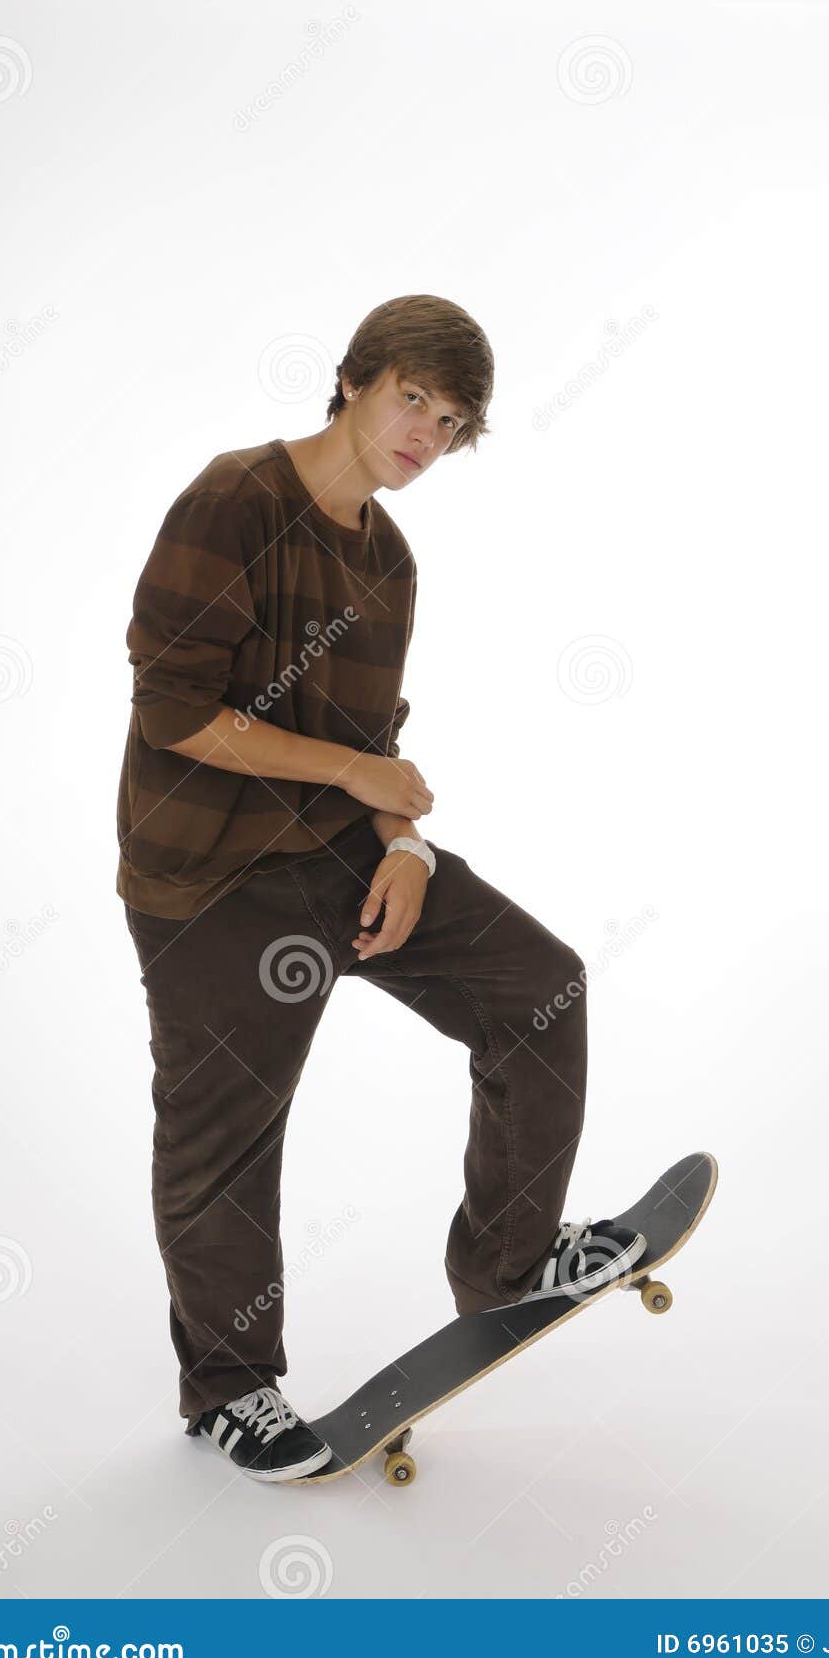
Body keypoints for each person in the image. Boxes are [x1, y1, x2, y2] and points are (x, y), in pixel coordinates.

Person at [117, 294, 646, 1483]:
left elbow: (374, 734)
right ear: (353, 380)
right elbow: (173, 710)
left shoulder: (388, 560)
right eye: (413, 398)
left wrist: (402, 845)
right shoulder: (235, 498)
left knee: (538, 988)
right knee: (228, 1136)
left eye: (452, 424)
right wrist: (361, 771)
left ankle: (510, 1264)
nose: (426, 434)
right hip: (206, 876)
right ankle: (229, 1391)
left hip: (337, 854)